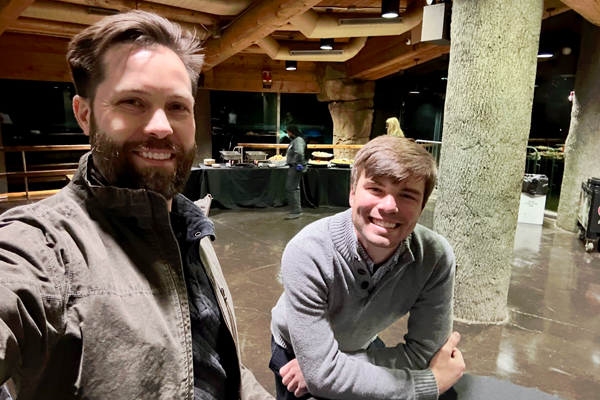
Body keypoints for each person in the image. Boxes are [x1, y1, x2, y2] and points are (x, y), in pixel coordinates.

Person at [0, 11, 272, 400]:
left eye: (177, 106)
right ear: (84, 114)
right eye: (132, 102)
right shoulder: (41, 246)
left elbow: (214, 364)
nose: (161, 126)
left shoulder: (189, 225)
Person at [270, 136, 465, 399]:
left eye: (407, 195)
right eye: (375, 189)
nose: (388, 206)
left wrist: (331, 370)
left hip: (362, 343)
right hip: (295, 351)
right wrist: (429, 384)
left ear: (421, 207)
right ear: (352, 193)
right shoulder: (308, 251)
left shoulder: (434, 257)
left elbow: (424, 353)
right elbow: (321, 376)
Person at [284, 125, 308, 220]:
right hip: (294, 167)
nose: (288, 134)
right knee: (294, 188)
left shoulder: (298, 140)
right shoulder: (296, 140)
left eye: (288, 132)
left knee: (291, 188)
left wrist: (298, 163)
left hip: (295, 168)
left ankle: (296, 211)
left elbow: (299, 153)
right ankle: (296, 210)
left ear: (291, 132)